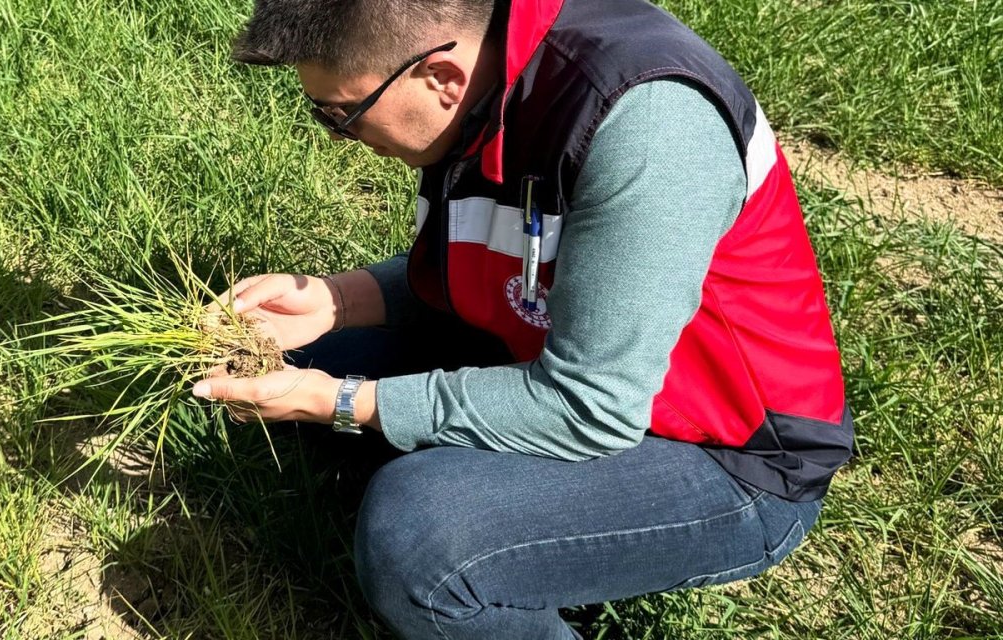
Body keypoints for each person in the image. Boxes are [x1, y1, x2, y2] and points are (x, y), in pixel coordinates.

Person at [192, 1, 855, 638]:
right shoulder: (489, 74)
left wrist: (340, 404)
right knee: (302, 354)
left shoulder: (646, 121)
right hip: (557, 359)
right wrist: (337, 300)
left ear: (441, 77)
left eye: (344, 115)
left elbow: (591, 404)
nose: (340, 138)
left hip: (727, 456)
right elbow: (506, 261)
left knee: (422, 537)